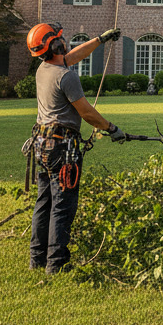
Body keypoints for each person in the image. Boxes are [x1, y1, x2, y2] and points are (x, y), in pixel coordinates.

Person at [26, 22, 127, 274]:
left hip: (42, 144)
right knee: (62, 205)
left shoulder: (44, 68)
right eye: (60, 38)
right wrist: (111, 128)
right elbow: (86, 112)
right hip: (62, 148)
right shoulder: (66, 77)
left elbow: (71, 57)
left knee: (44, 202)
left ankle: (37, 259)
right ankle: (56, 263)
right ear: (55, 45)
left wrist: (100, 39)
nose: (65, 41)